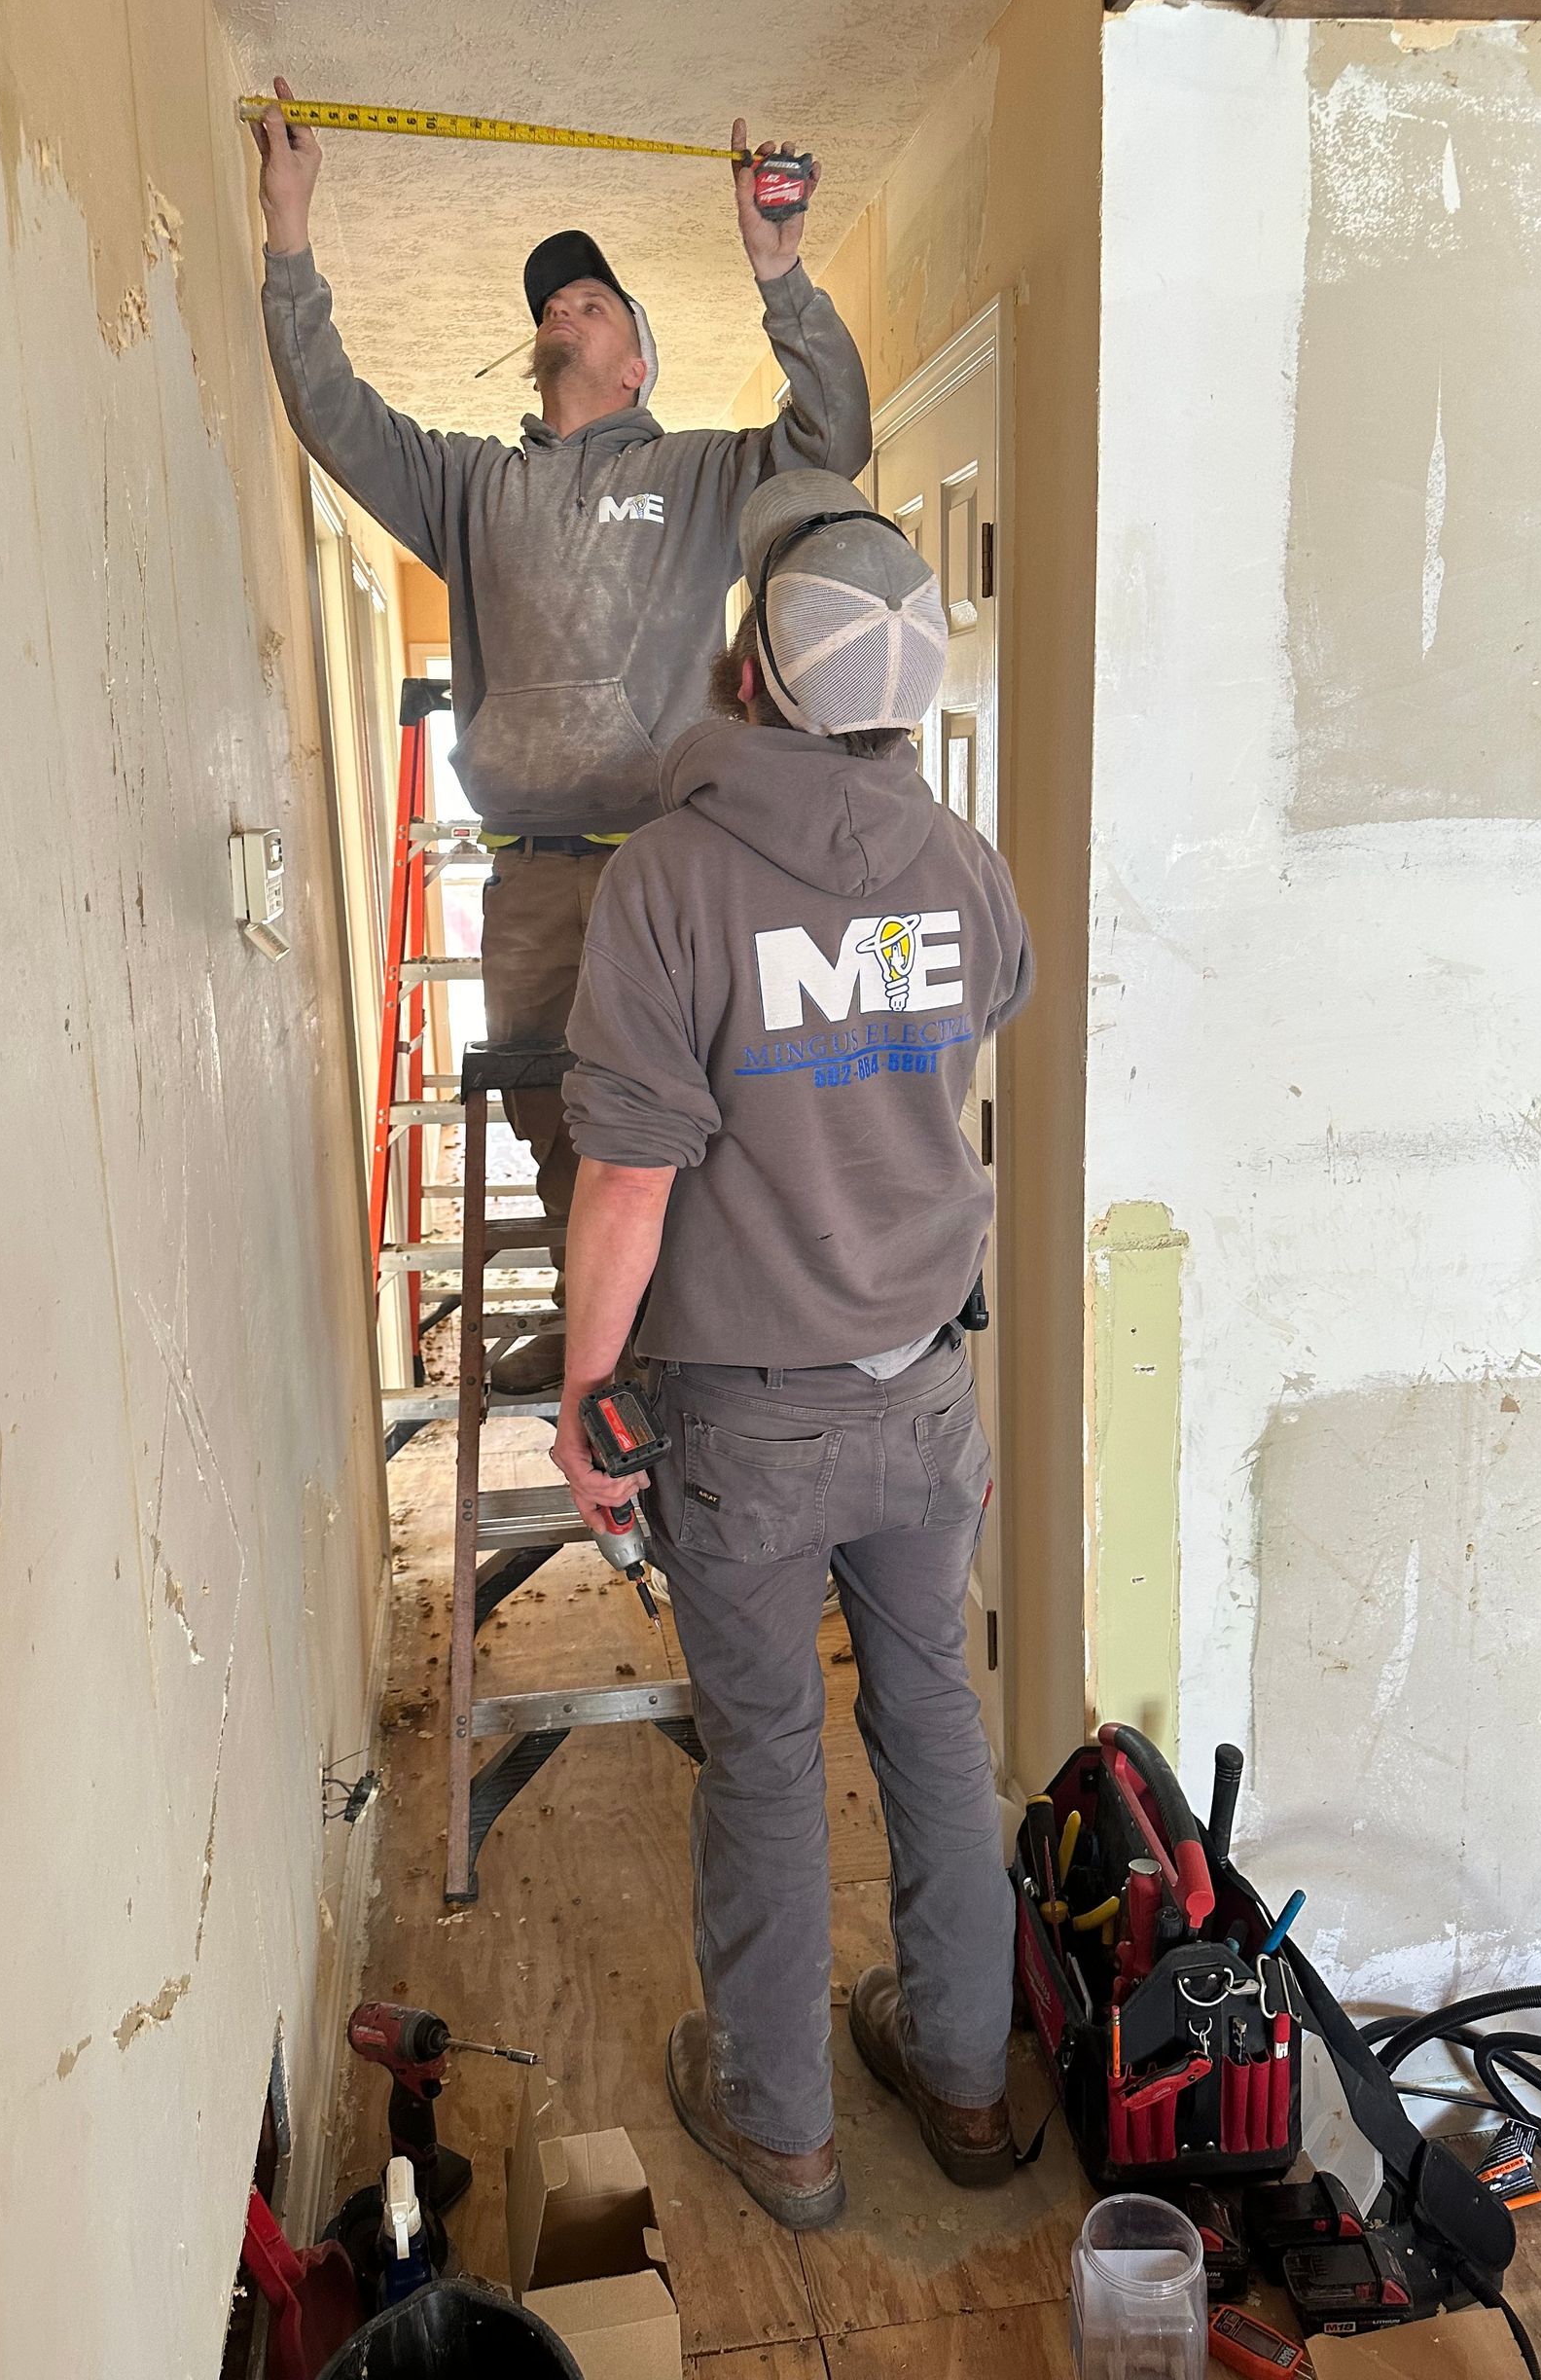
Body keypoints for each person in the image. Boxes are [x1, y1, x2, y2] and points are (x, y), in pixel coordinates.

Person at [549, 469, 1033, 2228]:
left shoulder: (669, 881)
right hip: (926, 1396)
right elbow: (962, 1030)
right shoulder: (963, 866)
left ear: (750, 668)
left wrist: (583, 1398)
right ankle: (967, 2085)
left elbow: (628, 1180)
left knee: (762, 1752)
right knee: (935, 1724)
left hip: (744, 1424)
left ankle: (787, 2134)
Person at [251, 80, 872, 1392]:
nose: (564, 310)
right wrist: (289, 233)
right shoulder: (471, 487)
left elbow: (835, 439)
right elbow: (332, 412)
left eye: (592, 301)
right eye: (552, 303)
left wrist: (781, 274)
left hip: (670, 863)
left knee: (690, 1113)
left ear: (638, 362)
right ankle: (615, 1342)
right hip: (529, 878)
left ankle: (695, 1350)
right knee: (554, 1119)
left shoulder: (698, 475)